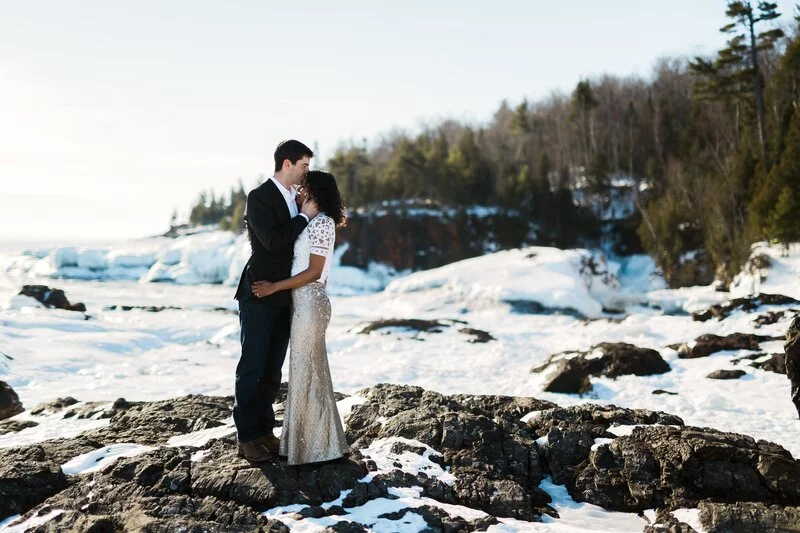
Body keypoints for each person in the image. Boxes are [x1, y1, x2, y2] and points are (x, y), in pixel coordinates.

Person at [251, 170, 349, 465]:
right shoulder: (312, 222)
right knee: (308, 372)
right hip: (303, 304)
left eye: (303, 187)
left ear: (315, 192)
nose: (298, 191)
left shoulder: (322, 224)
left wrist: (274, 287)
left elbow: (314, 272)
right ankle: (319, 445)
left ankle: (315, 449)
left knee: (307, 373)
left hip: (310, 303)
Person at [233, 140, 318, 462]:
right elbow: (271, 242)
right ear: (287, 164)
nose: (306, 172)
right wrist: (304, 217)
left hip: (284, 293)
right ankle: (246, 437)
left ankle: (265, 431)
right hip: (258, 291)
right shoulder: (259, 197)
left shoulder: (295, 199)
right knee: (252, 367)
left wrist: (303, 211)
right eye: (304, 166)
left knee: (272, 370)